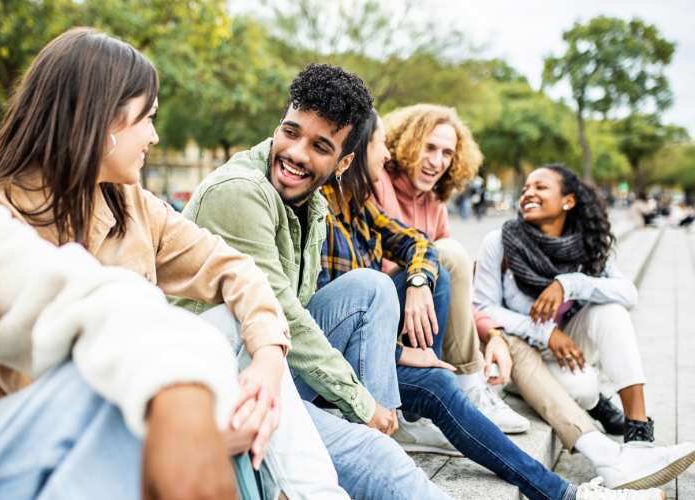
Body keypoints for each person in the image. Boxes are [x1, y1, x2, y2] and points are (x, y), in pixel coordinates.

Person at [172, 63, 667, 500]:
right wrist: (366, 404)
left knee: (379, 293)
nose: (296, 153)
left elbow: (414, 253)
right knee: (386, 449)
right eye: (290, 132)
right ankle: (396, 429)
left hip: (292, 364)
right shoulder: (243, 194)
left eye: (319, 146)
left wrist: (426, 306)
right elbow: (285, 319)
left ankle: (563, 491)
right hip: (234, 375)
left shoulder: (317, 202)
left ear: (342, 161)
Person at [0, 27, 349, 500]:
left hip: (157, 404)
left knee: (241, 338)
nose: (153, 135)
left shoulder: (129, 202)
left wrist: (270, 362)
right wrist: (193, 430)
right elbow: (54, 392)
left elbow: (234, 270)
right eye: (146, 118)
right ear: (99, 120)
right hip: (38, 448)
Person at [0, 1, 246, 499]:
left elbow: (78, 293)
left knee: (163, 376)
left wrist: (184, 393)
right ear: (99, 122)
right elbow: (25, 378)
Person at [317, 108, 672, 500]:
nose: (386, 156)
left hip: (399, 341)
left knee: (440, 287)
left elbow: (421, 248)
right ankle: (569, 492)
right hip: (350, 360)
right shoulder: (332, 204)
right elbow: (338, 314)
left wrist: (420, 283)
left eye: (447, 152)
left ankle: (570, 490)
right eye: (382, 144)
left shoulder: (363, 204)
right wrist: (401, 350)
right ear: (353, 153)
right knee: (419, 282)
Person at [473, 164, 695, 490]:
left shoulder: (585, 246)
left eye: (541, 187)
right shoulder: (501, 241)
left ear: (568, 201)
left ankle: (638, 437)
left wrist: (571, 283)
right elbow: (483, 307)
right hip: (519, 351)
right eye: (526, 189)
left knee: (611, 310)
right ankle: (596, 404)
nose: (528, 193)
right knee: (585, 388)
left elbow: (628, 293)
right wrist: (546, 332)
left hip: (571, 342)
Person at [373, 103, 529, 433]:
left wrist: (492, 332)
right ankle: (466, 387)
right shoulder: (378, 182)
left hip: (425, 318)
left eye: (447, 152)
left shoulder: (436, 204)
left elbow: (457, 288)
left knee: (447, 261)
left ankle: (461, 387)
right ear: (406, 143)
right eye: (429, 147)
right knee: (447, 252)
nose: (437, 160)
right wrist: (417, 279)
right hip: (381, 313)